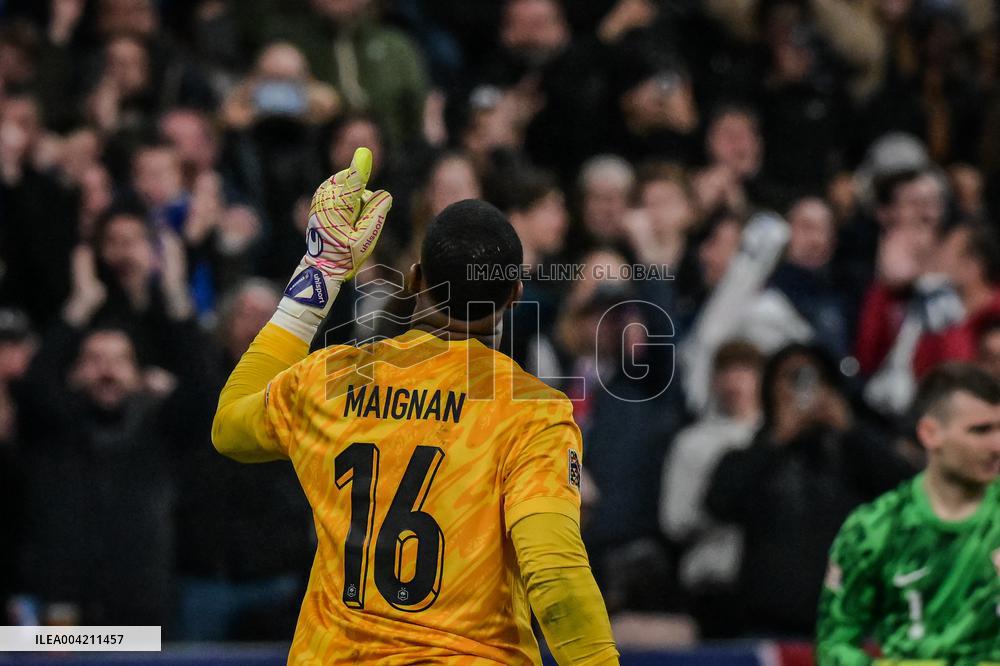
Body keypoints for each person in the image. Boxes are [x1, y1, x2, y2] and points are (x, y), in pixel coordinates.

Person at [212, 148, 618, 664]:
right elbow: (555, 573)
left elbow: (230, 425)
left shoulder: (333, 378)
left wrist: (319, 274)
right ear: (515, 294)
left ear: (418, 280)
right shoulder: (531, 413)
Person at [817, 363, 1000, 665]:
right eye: (980, 430)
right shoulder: (875, 527)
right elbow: (834, 644)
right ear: (930, 433)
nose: (996, 446)